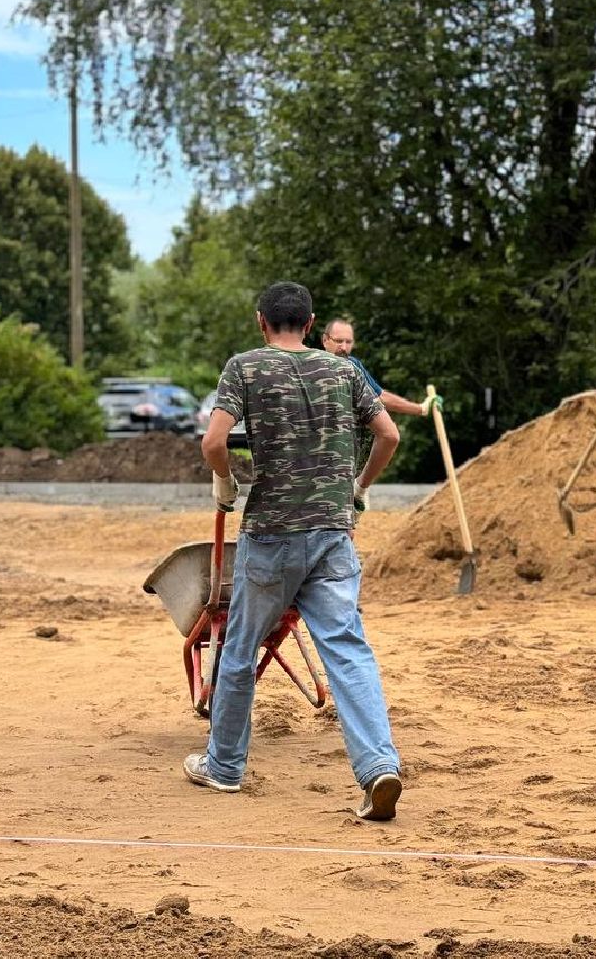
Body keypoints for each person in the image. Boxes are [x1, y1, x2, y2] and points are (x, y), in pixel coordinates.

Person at [186, 281, 405, 821]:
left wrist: (224, 481)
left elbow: (215, 443)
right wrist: (356, 486)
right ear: (311, 325)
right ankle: (378, 766)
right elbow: (390, 435)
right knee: (348, 650)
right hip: (333, 533)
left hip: (273, 534)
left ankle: (225, 766)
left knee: (238, 650)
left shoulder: (245, 368)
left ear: (262, 321)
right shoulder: (345, 371)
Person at [321, 317, 436, 418]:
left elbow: (380, 397)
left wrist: (421, 408)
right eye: (339, 341)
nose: (344, 348)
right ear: (325, 340)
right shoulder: (309, 364)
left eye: (349, 342)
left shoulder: (353, 364)